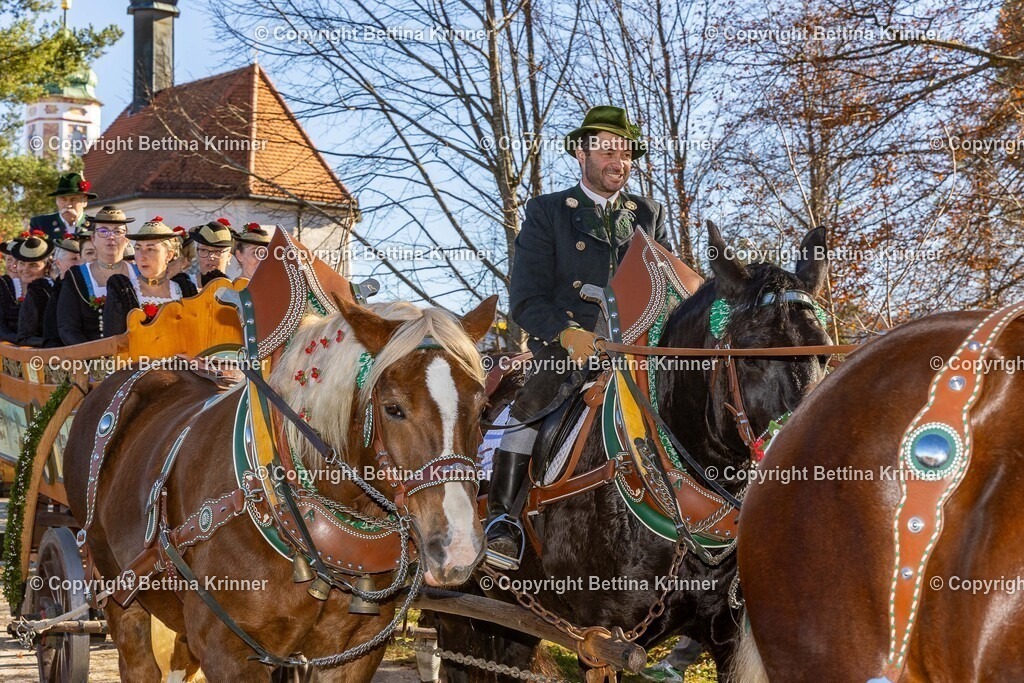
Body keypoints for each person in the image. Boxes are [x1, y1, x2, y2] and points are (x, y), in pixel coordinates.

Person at [485, 106, 673, 569]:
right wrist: (567, 334)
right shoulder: (548, 212)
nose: (618, 161)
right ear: (580, 153)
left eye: (625, 152)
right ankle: (503, 519)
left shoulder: (648, 214)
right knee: (530, 406)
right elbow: (526, 298)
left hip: (636, 352)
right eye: (607, 149)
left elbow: (668, 288)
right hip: (566, 350)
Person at [103, 218, 198, 336]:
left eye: (150, 249)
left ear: (168, 255)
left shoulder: (184, 290)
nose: (142, 256)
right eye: (138, 248)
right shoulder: (123, 290)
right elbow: (115, 339)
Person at [56, 206, 134, 344]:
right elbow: (68, 328)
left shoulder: (139, 273)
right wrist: (92, 359)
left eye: (118, 231)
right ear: (93, 238)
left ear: (127, 239)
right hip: (91, 358)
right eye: (103, 231)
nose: (111, 237)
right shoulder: (76, 276)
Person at [14, 232, 56, 347]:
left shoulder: (39, 290)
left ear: (47, 266)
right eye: (22, 263)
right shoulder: (35, 290)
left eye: (33, 265)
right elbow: (24, 337)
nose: (25, 270)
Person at [30, 171, 97, 241]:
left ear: (85, 201)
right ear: (56, 201)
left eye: (73, 199)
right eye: (63, 199)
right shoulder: (41, 224)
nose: (68, 205)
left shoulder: (95, 225)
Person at [189, 218, 233, 287]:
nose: (210, 257)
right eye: (204, 250)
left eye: (217, 251)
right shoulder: (184, 289)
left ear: (229, 256)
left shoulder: (235, 290)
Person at [0, 237, 26, 343]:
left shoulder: (40, 284)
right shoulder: (2, 285)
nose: (14, 265)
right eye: (9, 260)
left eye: (18, 261)